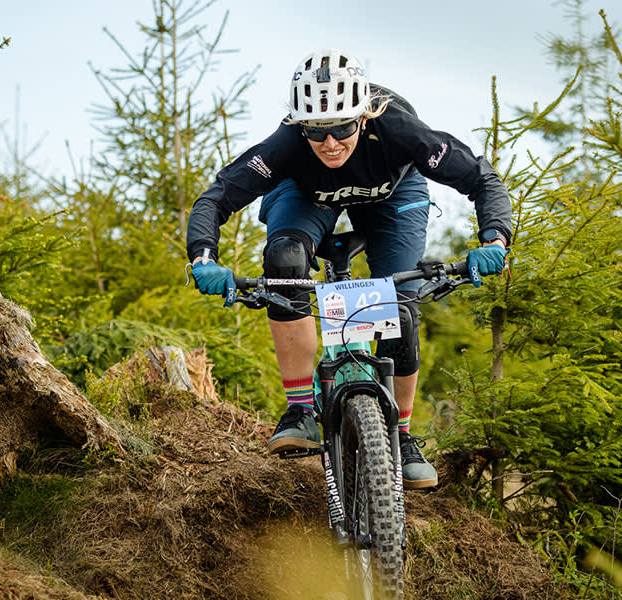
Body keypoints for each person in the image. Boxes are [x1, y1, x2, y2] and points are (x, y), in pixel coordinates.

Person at [186, 48, 511, 489]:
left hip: (393, 195)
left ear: (361, 116)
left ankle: (401, 435)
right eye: (316, 132)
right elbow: (217, 197)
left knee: (400, 306)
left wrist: (494, 240)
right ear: (300, 125)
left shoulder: (397, 128)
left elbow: (481, 178)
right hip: (306, 195)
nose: (330, 143)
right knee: (285, 263)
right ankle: (300, 410)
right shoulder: (287, 145)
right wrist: (204, 258)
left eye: (341, 128)